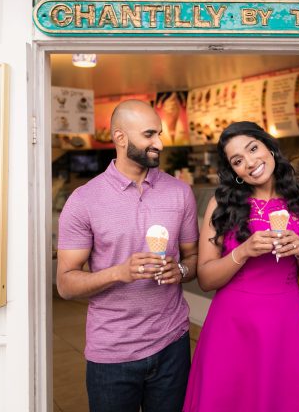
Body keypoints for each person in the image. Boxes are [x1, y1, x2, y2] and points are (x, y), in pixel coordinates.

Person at [57, 99, 199, 412]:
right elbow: (65, 284)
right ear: (121, 138)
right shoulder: (84, 200)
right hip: (112, 352)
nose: (159, 143)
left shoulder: (180, 193)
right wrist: (119, 272)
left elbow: (193, 258)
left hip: (172, 344)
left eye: (160, 134)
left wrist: (182, 271)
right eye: (149, 134)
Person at [184, 121, 299, 412]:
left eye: (253, 149)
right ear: (233, 171)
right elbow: (206, 279)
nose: (250, 162)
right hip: (231, 327)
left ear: (270, 147)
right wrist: (244, 251)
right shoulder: (221, 205)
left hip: (287, 328)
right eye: (238, 160)